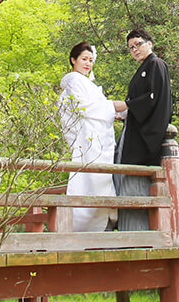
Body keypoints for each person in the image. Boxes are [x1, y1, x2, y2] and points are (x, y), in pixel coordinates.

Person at [57, 41, 128, 232]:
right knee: (89, 182)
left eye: (91, 60)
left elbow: (101, 108)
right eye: (84, 59)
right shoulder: (74, 82)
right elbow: (85, 108)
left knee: (99, 182)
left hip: (98, 141)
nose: (88, 63)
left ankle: (101, 225)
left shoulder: (86, 84)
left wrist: (117, 109)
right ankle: (85, 228)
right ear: (73, 60)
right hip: (87, 141)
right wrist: (114, 106)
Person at [114, 27, 173, 231]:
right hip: (136, 131)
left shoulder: (156, 64)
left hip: (145, 135)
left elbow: (153, 98)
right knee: (125, 177)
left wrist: (127, 105)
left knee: (135, 180)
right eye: (131, 48)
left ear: (149, 43)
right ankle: (127, 230)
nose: (135, 50)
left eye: (138, 44)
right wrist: (124, 112)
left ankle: (135, 233)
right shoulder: (143, 68)